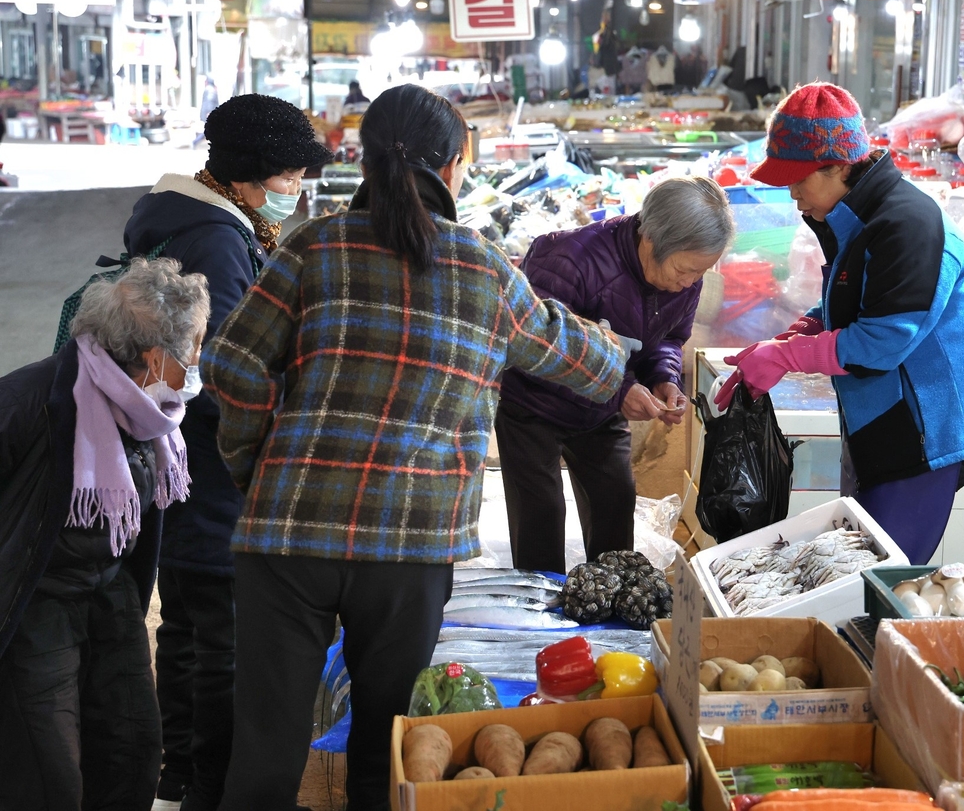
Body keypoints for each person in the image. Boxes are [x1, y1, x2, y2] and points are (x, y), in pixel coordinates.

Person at [202, 83, 629, 811]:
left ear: (365, 160)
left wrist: (259, 463)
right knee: (384, 753)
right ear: (455, 165)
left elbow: (232, 366)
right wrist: (627, 349)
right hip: (410, 547)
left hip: (289, 533)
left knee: (266, 758)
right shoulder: (485, 267)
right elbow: (593, 367)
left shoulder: (315, 243)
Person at [123, 93, 332, 811]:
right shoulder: (215, 239)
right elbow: (233, 366)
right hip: (212, 462)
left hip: (172, 454)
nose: (293, 190)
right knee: (224, 637)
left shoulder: (183, 215)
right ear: (248, 173)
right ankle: (213, 788)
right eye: (286, 176)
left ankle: (176, 771)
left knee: (182, 621)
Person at [716, 82, 964, 564]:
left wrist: (786, 356)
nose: (794, 196)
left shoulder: (906, 225)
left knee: (877, 575)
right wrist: (802, 331)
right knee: (857, 560)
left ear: (839, 165)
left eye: (799, 181)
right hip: (883, 416)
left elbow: (882, 340)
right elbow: (856, 301)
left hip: (930, 426)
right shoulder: (853, 217)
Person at [0, 258, 210, 811]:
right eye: (191, 347)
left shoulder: (148, 411)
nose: (196, 362)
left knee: (133, 747)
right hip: (36, 604)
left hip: (108, 595)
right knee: (48, 773)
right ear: (152, 357)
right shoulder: (27, 400)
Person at [497, 177, 734, 573]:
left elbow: (669, 336)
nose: (690, 282)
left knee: (616, 501)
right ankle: (540, 619)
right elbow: (540, 346)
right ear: (650, 239)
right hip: (532, 405)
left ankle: (611, 610)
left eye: (701, 272)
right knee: (540, 515)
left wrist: (664, 378)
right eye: (685, 270)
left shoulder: (685, 277)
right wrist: (621, 388)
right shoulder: (568, 258)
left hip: (599, 411)